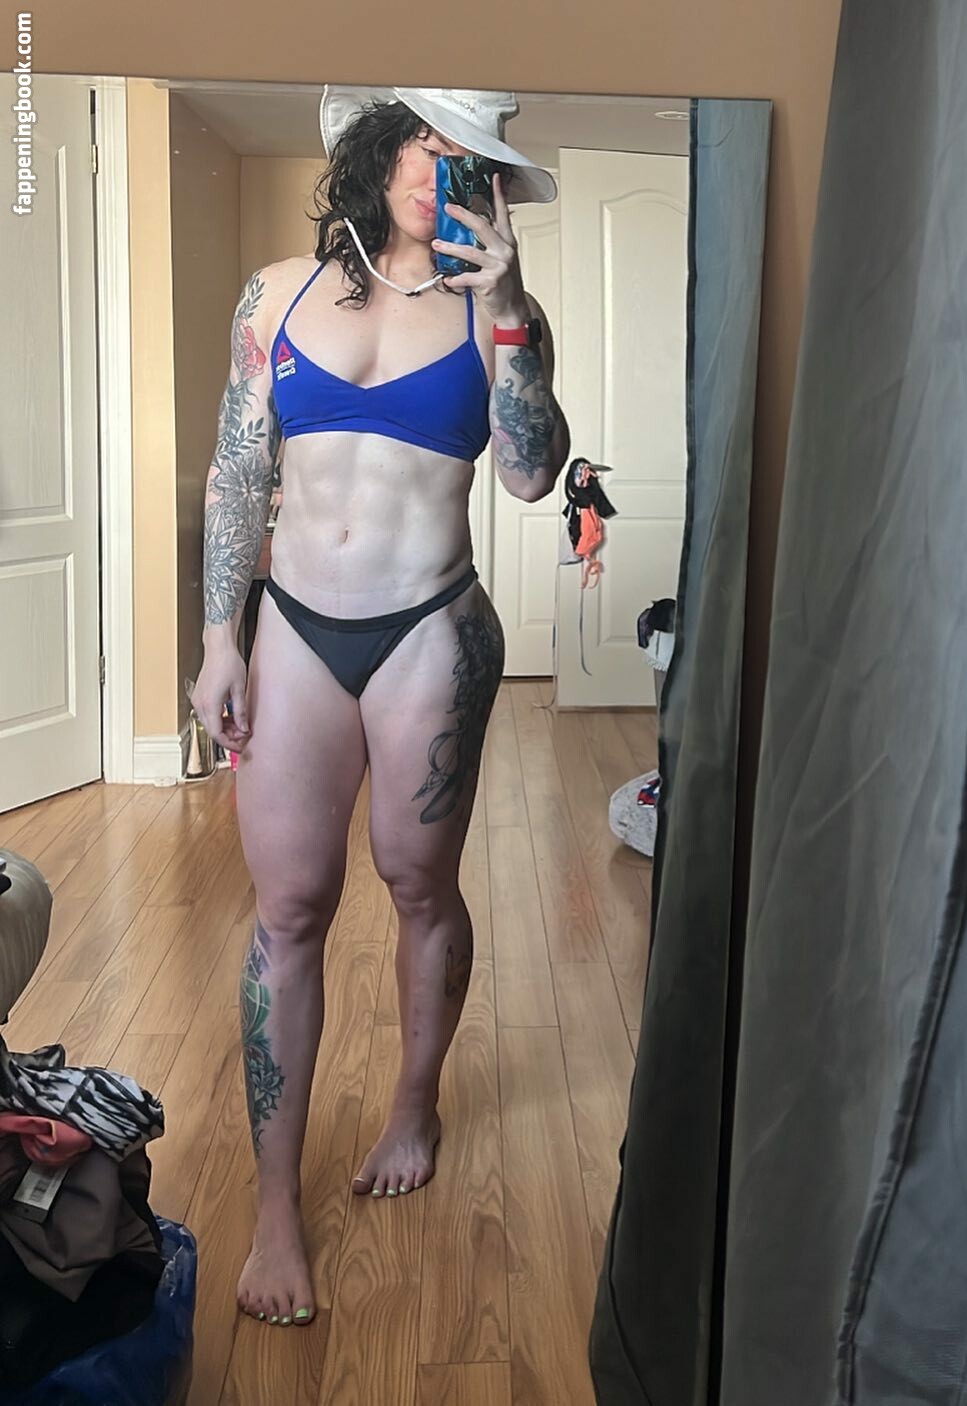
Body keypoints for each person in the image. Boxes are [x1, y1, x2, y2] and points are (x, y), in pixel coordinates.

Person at [190, 85, 570, 1329]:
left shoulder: (501, 313)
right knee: (289, 908)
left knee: (419, 883)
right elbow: (238, 467)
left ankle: (416, 1100)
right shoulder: (276, 292)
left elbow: (530, 476)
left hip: (430, 627)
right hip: (296, 626)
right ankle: (278, 1206)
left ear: (490, 185)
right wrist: (218, 639)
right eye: (424, 141)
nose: (438, 170)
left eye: (466, 158)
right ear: (376, 148)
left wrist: (509, 306)